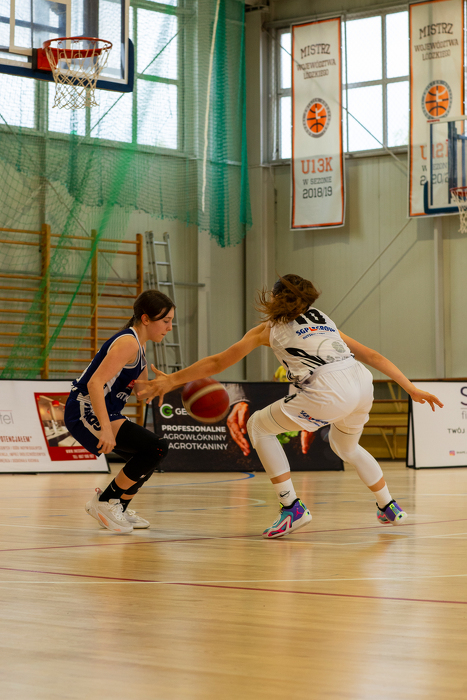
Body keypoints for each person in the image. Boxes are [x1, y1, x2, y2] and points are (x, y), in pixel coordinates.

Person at [136, 274, 443, 539]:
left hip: (328, 389)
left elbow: (217, 362)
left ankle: (291, 506)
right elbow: (372, 356)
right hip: (361, 383)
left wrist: (171, 381)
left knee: (258, 426)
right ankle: (388, 506)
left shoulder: (268, 329)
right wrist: (410, 388)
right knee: (346, 446)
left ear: (274, 298)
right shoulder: (323, 319)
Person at [64, 290, 173, 534]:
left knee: (149, 457)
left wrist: (162, 385)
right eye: (166, 321)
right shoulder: (128, 342)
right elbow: (95, 383)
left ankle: (119, 507)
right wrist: (105, 429)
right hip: (84, 408)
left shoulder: (140, 346)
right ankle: (104, 502)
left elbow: (141, 392)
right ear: (146, 319)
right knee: (156, 447)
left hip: (106, 409)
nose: (170, 327)